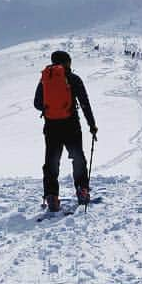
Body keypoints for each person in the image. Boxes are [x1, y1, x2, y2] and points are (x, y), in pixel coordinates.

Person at [34, 50, 97, 215]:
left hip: (51, 127)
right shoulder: (73, 79)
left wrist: (51, 108)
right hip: (71, 126)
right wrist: (92, 125)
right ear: (67, 62)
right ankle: (82, 190)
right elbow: (84, 103)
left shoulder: (45, 80)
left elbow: (37, 103)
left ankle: (52, 197)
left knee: (51, 162)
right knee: (78, 158)